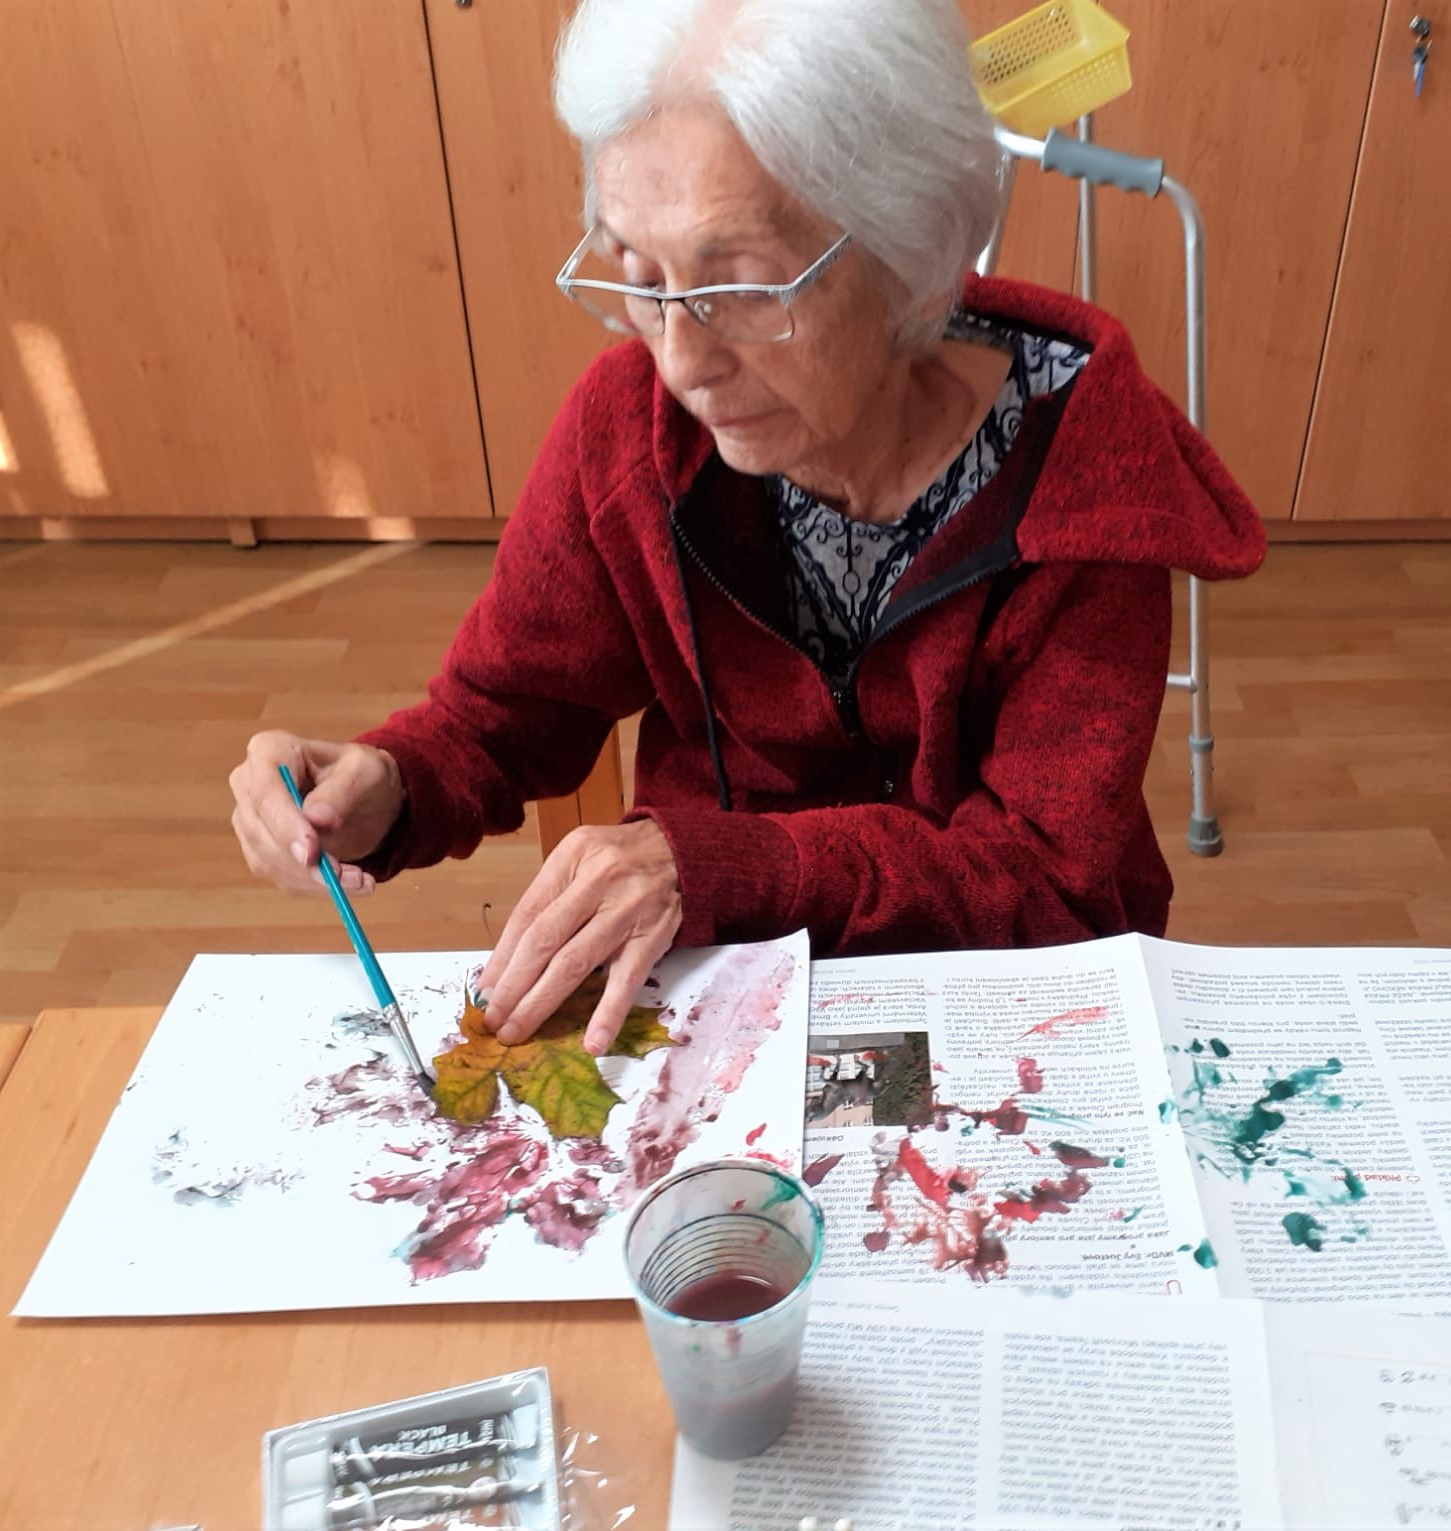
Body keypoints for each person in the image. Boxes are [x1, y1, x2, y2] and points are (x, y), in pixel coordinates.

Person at [228, 0, 1264, 1058]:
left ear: (911, 249)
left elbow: (1049, 887)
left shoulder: (1082, 491)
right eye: (641, 279)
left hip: (997, 999)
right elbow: (500, 712)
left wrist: (726, 866)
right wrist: (389, 781)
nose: (682, 362)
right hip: (715, 974)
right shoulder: (629, 431)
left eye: (743, 285)